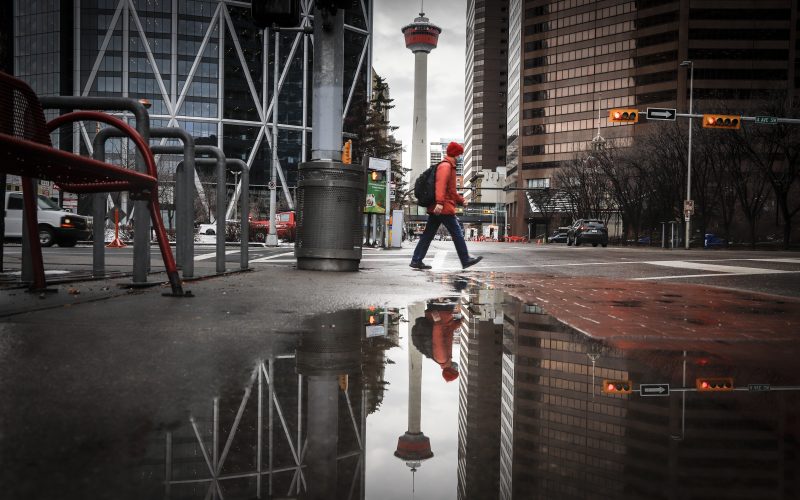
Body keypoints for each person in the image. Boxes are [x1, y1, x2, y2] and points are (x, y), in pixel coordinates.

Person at [410, 142, 482, 270]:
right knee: (457, 232)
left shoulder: (450, 166)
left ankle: (416, 260)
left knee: (428, 235)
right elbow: (440, 185)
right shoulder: (446, 166)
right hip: (443, 208)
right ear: (455, 153)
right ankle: (465, 260)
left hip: (440, 207)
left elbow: (452, 191)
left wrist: (461, 200)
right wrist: (440, 203)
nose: (461, 157)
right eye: (460, 154)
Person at [411, 299, 462, 382]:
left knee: (454, 289)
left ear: (451, 370)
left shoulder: (442, 359)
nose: (457, 367)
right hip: (441, 315)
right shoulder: (446, 358)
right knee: (444, 291)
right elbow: (447, 334)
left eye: (456, 370)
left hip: (441, 314)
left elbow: (438, 339)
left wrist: (437, 321)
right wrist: (457, 323)